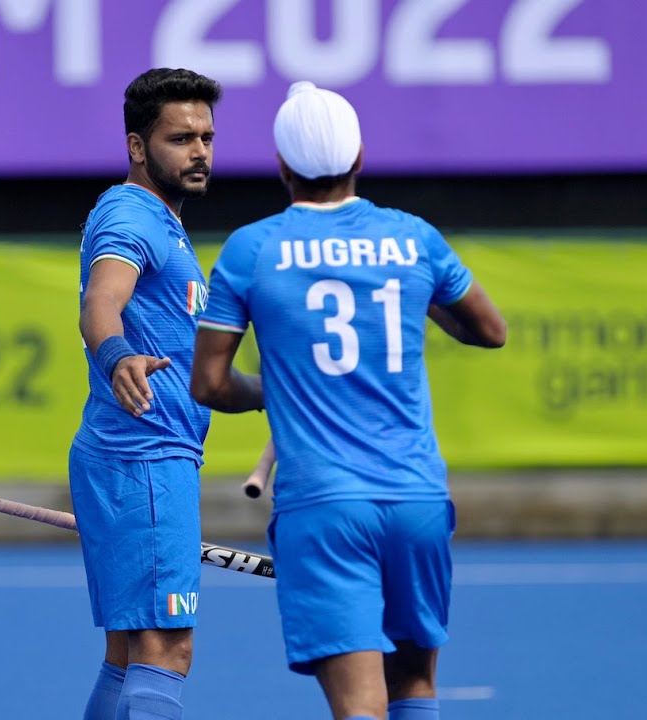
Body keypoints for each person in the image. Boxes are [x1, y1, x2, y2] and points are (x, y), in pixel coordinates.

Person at [190, 81, 507, 720]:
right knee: (415, 687)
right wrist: (422, 303)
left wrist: (266, 393)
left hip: (325, 509)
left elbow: (209, 385)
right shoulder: (415, 239)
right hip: (416, 498)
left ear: (281, 166)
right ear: (360, 154)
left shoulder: (253, 248)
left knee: (360, 708)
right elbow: (489, 330)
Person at [68, 67, 223, 720]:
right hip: (146, 462)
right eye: (181, 137)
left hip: (131, 459)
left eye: (207, 137)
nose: (200, 152)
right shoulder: (130, 217)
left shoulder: (158, 220)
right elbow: (102, 300)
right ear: (138, 146)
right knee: (167, 650)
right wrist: (117, 352)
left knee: (130, 653)